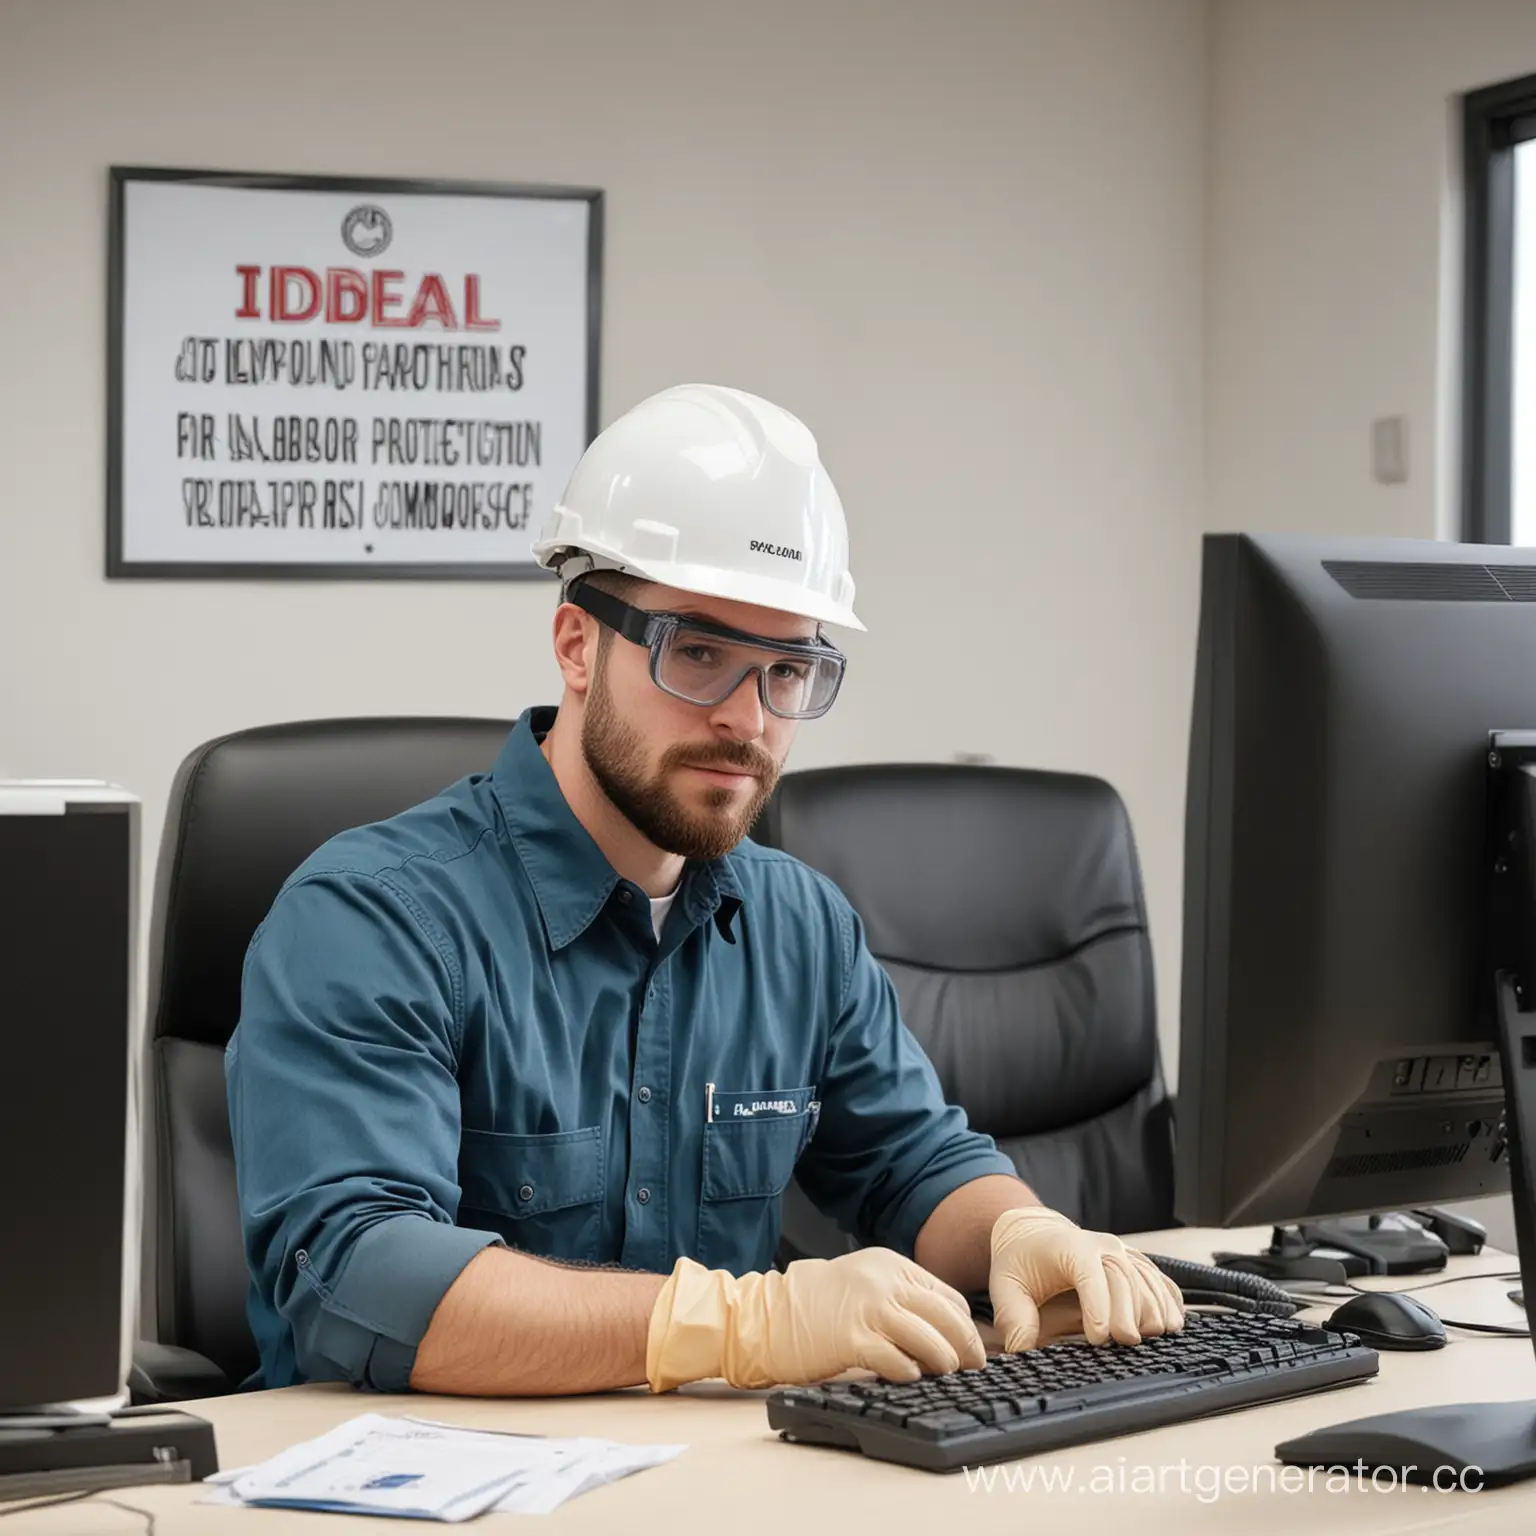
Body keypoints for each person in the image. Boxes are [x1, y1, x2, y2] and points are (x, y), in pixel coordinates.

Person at [225, 383, 1184, 1397]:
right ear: (576, 646)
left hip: (721, 1480)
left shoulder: (801, 927)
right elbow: (357, 1281)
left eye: (789, 671)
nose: (749, 718)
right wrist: (737, 1323)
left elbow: (910, 1162)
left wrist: (1021, 1231)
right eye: (698, 654)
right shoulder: (375, 917)